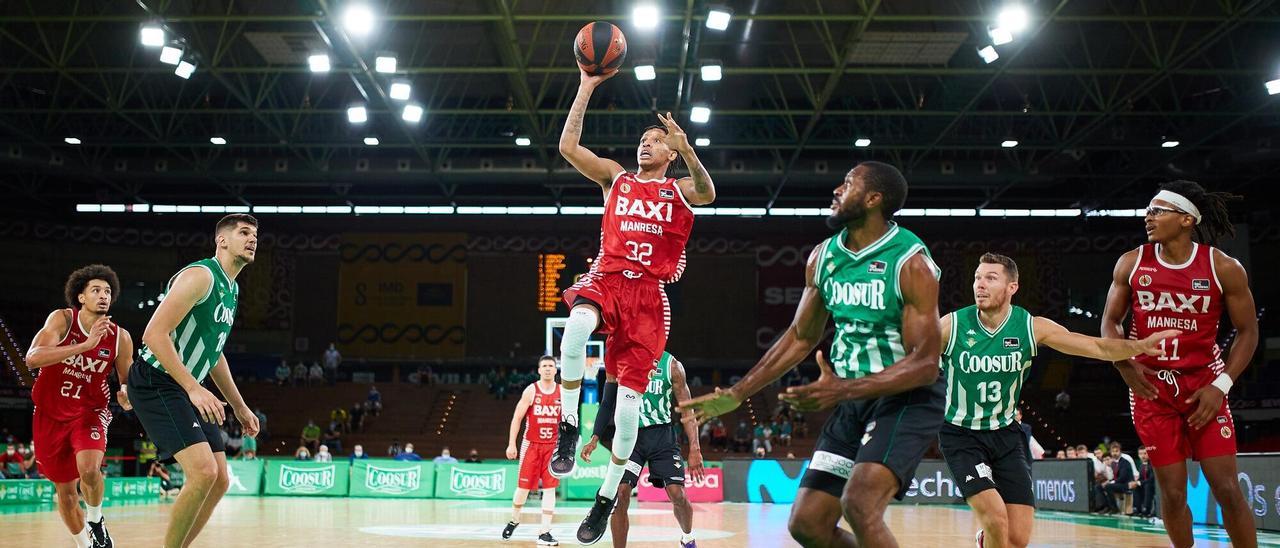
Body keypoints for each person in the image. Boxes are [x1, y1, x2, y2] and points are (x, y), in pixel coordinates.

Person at [682, 161, 944, 548]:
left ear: (873, 199)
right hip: (852, 402)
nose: (837, 190)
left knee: (860, 504)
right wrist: (739, 393)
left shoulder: (910, 263)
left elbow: (925, 364)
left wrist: (844, 390)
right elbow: (800, 338)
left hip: (905, 401)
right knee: (807, 523)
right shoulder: (823, 257)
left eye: (848, 183)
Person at [552, 65, 716, 545]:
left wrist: (689, 152)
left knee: (627, 414)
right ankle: (567, 425)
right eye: (643, 139)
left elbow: (707, 193)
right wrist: (585, 86)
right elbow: (567, 148)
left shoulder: (677, 190)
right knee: (576, 330)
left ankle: (604, 501)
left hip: (648, 298)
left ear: (670, 153)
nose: (646, 144)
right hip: (606, 278)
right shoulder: (615, 180)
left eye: (656, 140)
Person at [936, 252, 1176, 547]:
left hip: (1006, 435)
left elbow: (1096, 347)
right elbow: (910, 355)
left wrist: (1138, 346)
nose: (979, 285)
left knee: (1018, 539)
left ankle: (987, 541)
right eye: (977, 277)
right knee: (997, 517)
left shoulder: (1031, 327)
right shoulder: (952, 326)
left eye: (990, 278)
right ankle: (991, 535)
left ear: (1013, 287)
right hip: (962, 435)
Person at [1101, 181, 1258, 547]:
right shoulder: (1132, 262)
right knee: (1171, 495)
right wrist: (1124, 363)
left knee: (1227, 488)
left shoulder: (1222, 267)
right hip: (1151, 389)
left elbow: (1248, 331)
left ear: (1186, 219)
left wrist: (1221, 386)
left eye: (1158, 210)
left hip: (1204, 385)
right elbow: (1110, 321)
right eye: (1149, 210)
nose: (1148, 216)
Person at [130, 214, 261, 548]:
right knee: (203, 472)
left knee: (219, 481)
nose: (252, 239)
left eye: (255, 234)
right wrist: (193, 387)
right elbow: (153, 334)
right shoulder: (201, 276)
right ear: (222, 240)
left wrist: (240, 406)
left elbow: (213, 354)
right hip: (156, 380)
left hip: (182, 387)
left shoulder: (231, 289)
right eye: (244, 232)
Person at [25, 264, 136, 548]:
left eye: (108, 291)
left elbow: (127, 380)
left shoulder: (120, 337)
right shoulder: (62, 319)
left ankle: (96, 520)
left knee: (89, 469)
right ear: (81, 297)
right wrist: (84, 346)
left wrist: (126, 394)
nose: (103, 296)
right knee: (65, 493)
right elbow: (33, 358)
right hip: (49, 414)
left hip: (90, 411)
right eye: (96, 290)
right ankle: (84, 545)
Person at [581, 351, 703, 548]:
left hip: (662, 436)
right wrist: (594, 437)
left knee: (677, 495)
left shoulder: (672, 366)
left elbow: (687, 409)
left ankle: (687, 538)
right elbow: (607, 403)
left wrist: (695, 448)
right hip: (628, 436)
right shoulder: (621, 359)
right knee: (621, 493)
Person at [501, 356, 562, 546]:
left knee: (550, 488)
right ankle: (515, 519)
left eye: (551, 366)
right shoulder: (531, 390)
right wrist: (512, 444)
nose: (547, 369)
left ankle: (545, 531)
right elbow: (517, 418)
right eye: (544, 366)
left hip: (552, 447)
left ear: (555, 370)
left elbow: (569, 421)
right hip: (531, 445)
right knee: (523, 488)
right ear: (538, 370)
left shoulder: (562, 392)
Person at [1130, 447, 1156, 517]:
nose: (1143, 456)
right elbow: (1141, 479)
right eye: (1140, 454)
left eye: (1145, 453)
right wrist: (1136, 482)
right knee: (1136, 487)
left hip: (1153, 486)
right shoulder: (1141, 465)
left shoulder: (1153, 464)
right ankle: (1137, 509)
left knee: (1147, 485)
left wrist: (1139, 482)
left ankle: (1146, 509)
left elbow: (1152, 479)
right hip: (1145, 485)